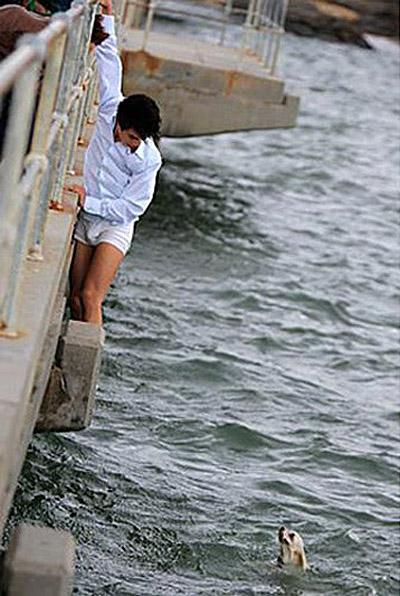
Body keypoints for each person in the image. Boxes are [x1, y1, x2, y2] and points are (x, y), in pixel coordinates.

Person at [68, 0, 162, 326]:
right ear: (119, 124)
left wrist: (89, 202)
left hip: (114, 225)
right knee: (74, 298)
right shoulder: (111, 106)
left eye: (141, 139)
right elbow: (109, 57)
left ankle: (91, 358)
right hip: (86, 220)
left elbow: (133, 207)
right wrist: (106, 16)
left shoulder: (149, 158)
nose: (135, 143)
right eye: (132, 137)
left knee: (91, 297)